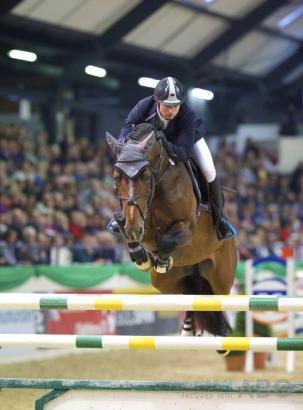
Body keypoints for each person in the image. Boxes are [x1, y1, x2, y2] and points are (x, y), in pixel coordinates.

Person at [108, 77, 236, 241]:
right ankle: (121, 215)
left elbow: (183, 153)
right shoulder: (143, 106)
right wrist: (122, 146)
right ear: (156, 101)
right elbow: (128, 126)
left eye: (175, 106)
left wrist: (167, 144)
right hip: (155, 144)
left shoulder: (187, 115)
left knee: (209, 170)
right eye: (167, 106)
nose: (171, 111)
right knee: (129, 174)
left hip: (187, 141)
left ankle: (219, 219)